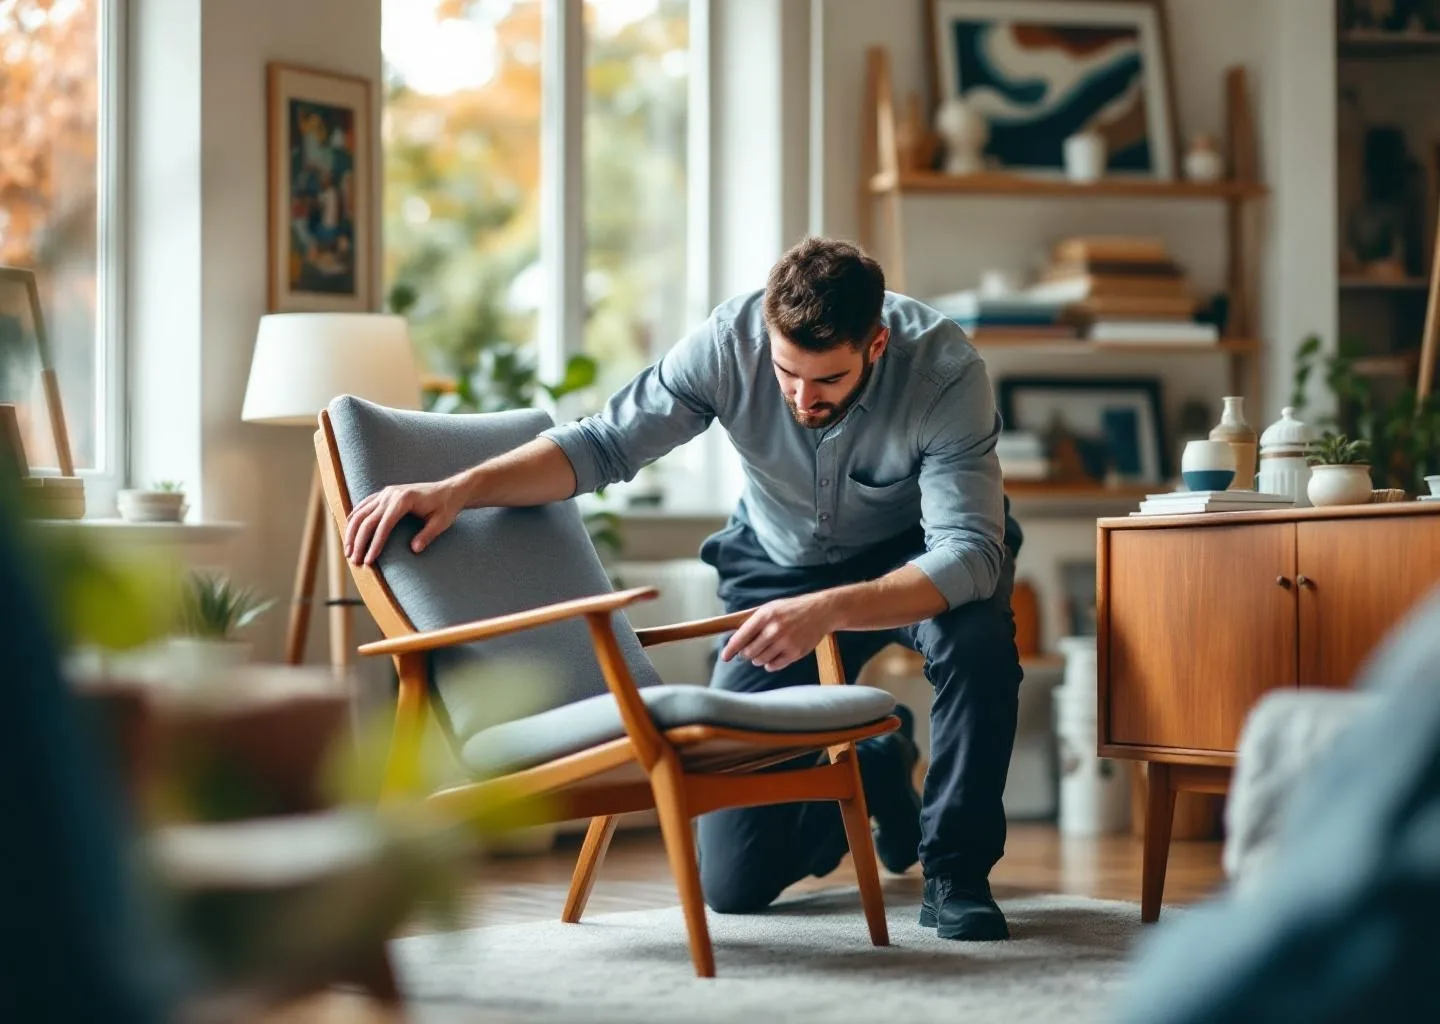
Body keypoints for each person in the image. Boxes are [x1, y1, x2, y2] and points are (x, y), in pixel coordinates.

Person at [344, 237, 1025, 941]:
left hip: (918, 550)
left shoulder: (944, 372)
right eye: (787, 373)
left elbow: (970, 552)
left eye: (826, 381)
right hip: (778, 561)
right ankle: (874, 761)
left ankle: (956, 874)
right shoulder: (728, 342)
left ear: (876, 345)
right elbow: (604, 445)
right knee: (731, 885)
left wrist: (830, 608)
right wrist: (460, 489)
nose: (800, 397)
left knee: (976, 642)